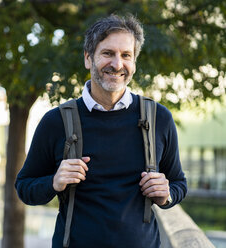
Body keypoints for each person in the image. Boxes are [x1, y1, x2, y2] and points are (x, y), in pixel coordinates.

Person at [15, 14, 187, 248]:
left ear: (134, 62)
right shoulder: (56, 121)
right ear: (88, 58)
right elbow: (25, 187)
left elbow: (178, 183)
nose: (117, 64)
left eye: (126, 55)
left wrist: (167, 194)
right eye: (107, 53)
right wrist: (54, 182)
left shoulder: (159, 119)